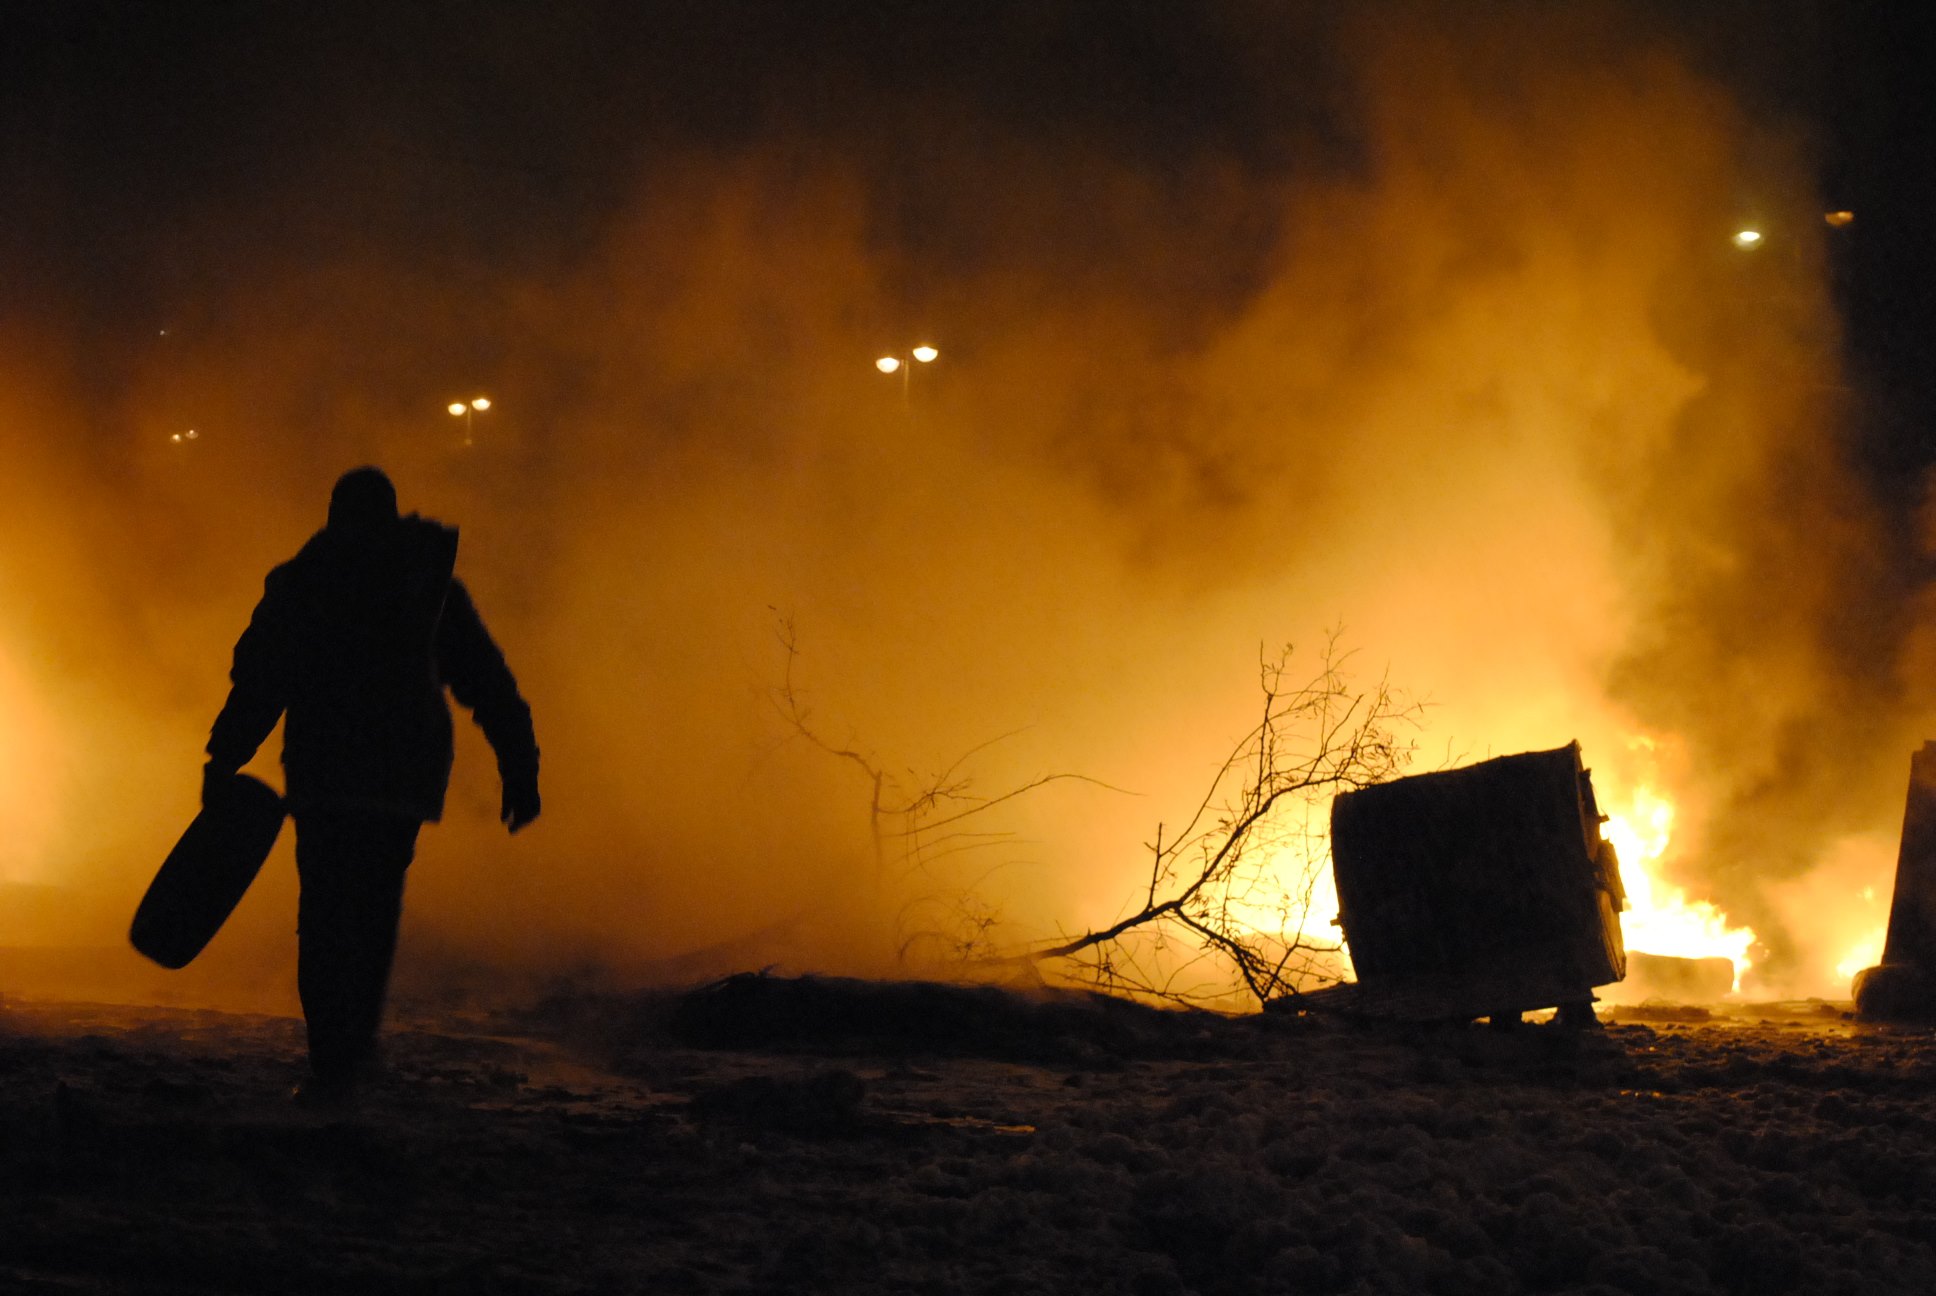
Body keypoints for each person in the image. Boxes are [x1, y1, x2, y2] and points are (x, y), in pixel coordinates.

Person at [203, 466, 539, 1102]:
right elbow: (487, 682)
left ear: (333, 515)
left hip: (327, 778)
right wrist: (520, 766)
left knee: (327, 918)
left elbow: (259, 681)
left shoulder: (305, 584)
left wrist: (223, 762)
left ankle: (333, 1062)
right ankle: (354, 1054)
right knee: (374, 915)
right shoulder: (427, 585)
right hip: (400, 782)